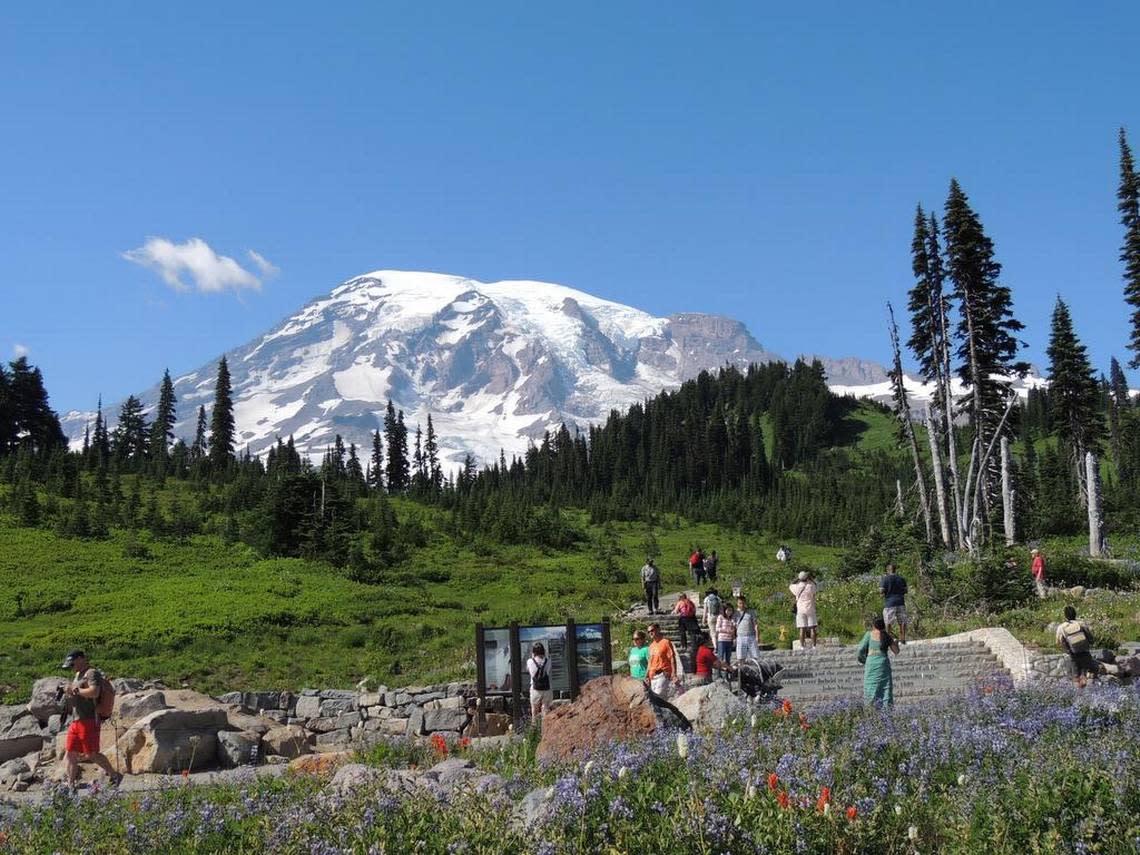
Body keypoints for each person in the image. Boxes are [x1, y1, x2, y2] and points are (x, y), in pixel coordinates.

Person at [60, 650, 121, 790]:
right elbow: (79, 693)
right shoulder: (77, 675)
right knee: (70, 752)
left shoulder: (92, 673)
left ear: (81, 659)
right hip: (76, 720)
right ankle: (70, 784)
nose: (72, 667)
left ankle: (114, 775)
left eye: (73, 664)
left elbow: (95, 692)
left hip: (89, 719)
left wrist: (75, 690)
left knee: (91, 754)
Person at [857, 617, 899, 706]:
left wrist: (863, 660)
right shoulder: (887, 636)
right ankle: (886, 710)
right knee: (885, 687)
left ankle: (870, 709)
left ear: (874, 625)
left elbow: (860, 649)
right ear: (884, 625)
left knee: (870, 686)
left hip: (871, 663)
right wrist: (896, 642)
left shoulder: (869, 634)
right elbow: (896, 651)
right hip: (883, 664)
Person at [1056, 605, 1098, 686]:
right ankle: (1091, 689)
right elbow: (1090, 638)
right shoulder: (1081, 623)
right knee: (1091, 671)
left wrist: (1067, 648)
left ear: (1065, 615)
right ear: (1075, 614)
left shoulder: (1061, 627)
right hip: (1085, 653)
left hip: (1073, 654)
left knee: (1076, 676)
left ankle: (1079, 693)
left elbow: (1058, 642)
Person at [646, 623, 682, 698]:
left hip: (663, 674)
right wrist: (647, 675)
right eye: (648, 632)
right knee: (656, 699)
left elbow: (672, 658)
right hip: (653, 676)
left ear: (658, 630)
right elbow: (650, 662)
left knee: (658, 697)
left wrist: (674, 673)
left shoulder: (665, 642)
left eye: (652, 630)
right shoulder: (651, 646)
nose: (650, 633)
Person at [880, 562, 909, 644]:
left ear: (888, 570)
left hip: (890, 603)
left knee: (888, 622)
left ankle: (888, 639)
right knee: (902, 621)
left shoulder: (885, 579)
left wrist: (883, 593)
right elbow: (906, 590)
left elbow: (881, 591)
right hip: (900, 602)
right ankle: (903, 638)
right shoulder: (901, 578)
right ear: (895, 569)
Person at [789, 570, 819, 648]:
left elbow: (791, 585)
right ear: (807, 578)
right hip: (810, 608)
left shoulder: (797, 587)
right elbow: (816, 585)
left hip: (800, 610)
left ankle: (802, 646)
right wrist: (811, 579)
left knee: (802, 629)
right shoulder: (811, 586)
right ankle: (814, 646)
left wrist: (797, 579)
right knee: (812, 627)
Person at [526, 642, 554, 719]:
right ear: (543, 651)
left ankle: (534, 726)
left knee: (534, 709)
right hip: (546, 688)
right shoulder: (548, 661)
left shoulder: (530, 661)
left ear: (534, 652)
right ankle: (545, 727)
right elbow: (547, 672)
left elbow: (528, 671)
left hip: (535, 688)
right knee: (545, 708)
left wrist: (532, 657)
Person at [734, 595, 760, 663]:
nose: (741, 605)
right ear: (737, 603)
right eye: (740, 603)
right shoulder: (735, 613)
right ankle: (741, 671)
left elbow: (756, 625)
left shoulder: (751, 612)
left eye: (743, 603)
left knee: (754, 656)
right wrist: (734, 637)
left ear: (745, 603)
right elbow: (733, 626)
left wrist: (757, 637)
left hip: (751, 636)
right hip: (740, 636)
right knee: (740, 657)